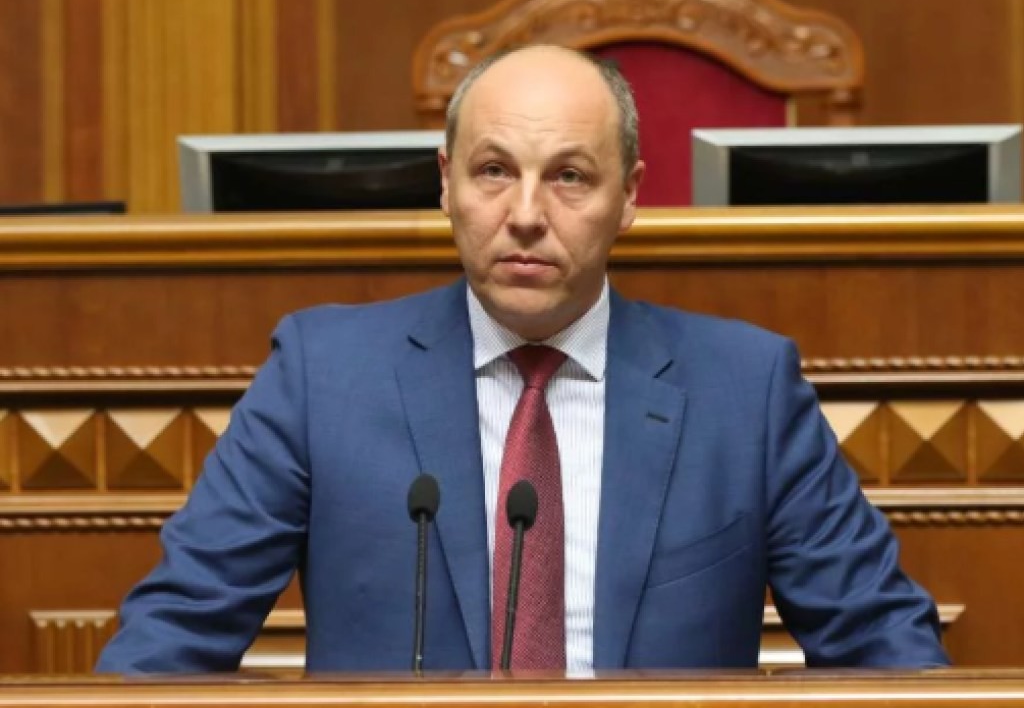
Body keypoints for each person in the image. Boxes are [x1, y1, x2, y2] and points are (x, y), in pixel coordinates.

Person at [96, 45, 948, 673]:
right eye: (494, 170)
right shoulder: (321, 376)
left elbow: (884, 647)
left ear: (630, 196)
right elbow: (173, 638)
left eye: (570, 176)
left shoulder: (745, 391)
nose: (528, 214)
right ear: (445, 183)